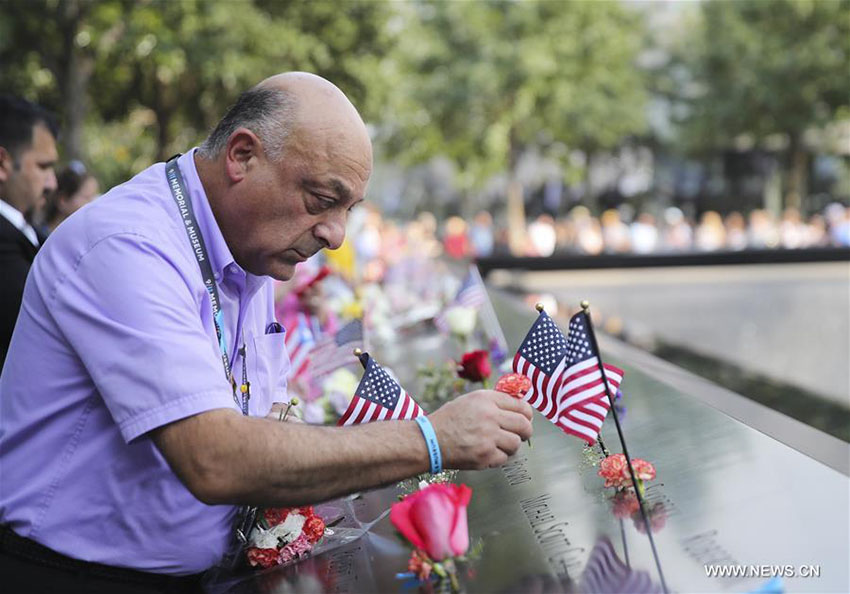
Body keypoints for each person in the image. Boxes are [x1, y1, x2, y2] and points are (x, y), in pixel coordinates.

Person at [0, 73, 533, 592]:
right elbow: (216, 459)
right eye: (323, 199)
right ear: (242, 156)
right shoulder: (127, 244)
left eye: (348, 210)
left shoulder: (248, 249)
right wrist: (431, 439)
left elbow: (261, 414)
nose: (335, 233)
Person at [0, 95, 59, 368]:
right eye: (43, 166)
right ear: (3, 163)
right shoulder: (7, 248)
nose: (52, 182)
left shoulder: (28, 234)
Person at [42, 160, 100, 234]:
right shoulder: (38, 240)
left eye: (94, 197)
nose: (93, 204)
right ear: (63, 200)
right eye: (87, 198)